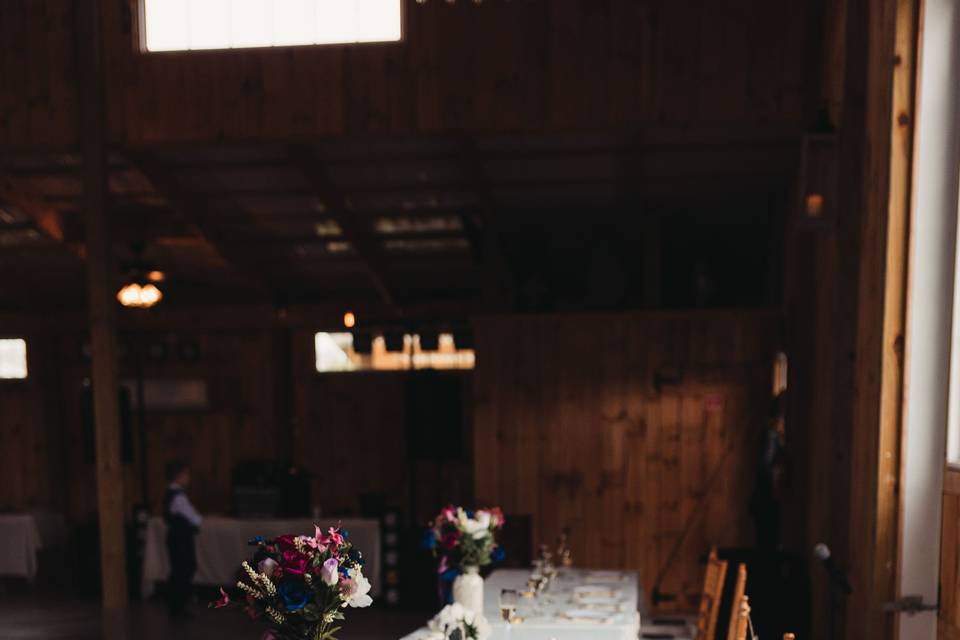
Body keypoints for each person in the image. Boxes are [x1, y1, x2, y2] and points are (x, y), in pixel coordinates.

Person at [164, 460, 202, 618]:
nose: (189, 477)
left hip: (176, 538)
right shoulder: (178, 497)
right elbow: (194, 518)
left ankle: (177, 606)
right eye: (186, 474)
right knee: (184, 569)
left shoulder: (173, 494)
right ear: (179, 476)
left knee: (180, 570)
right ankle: (177, 607)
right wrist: (198, 521)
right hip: (181, 539)